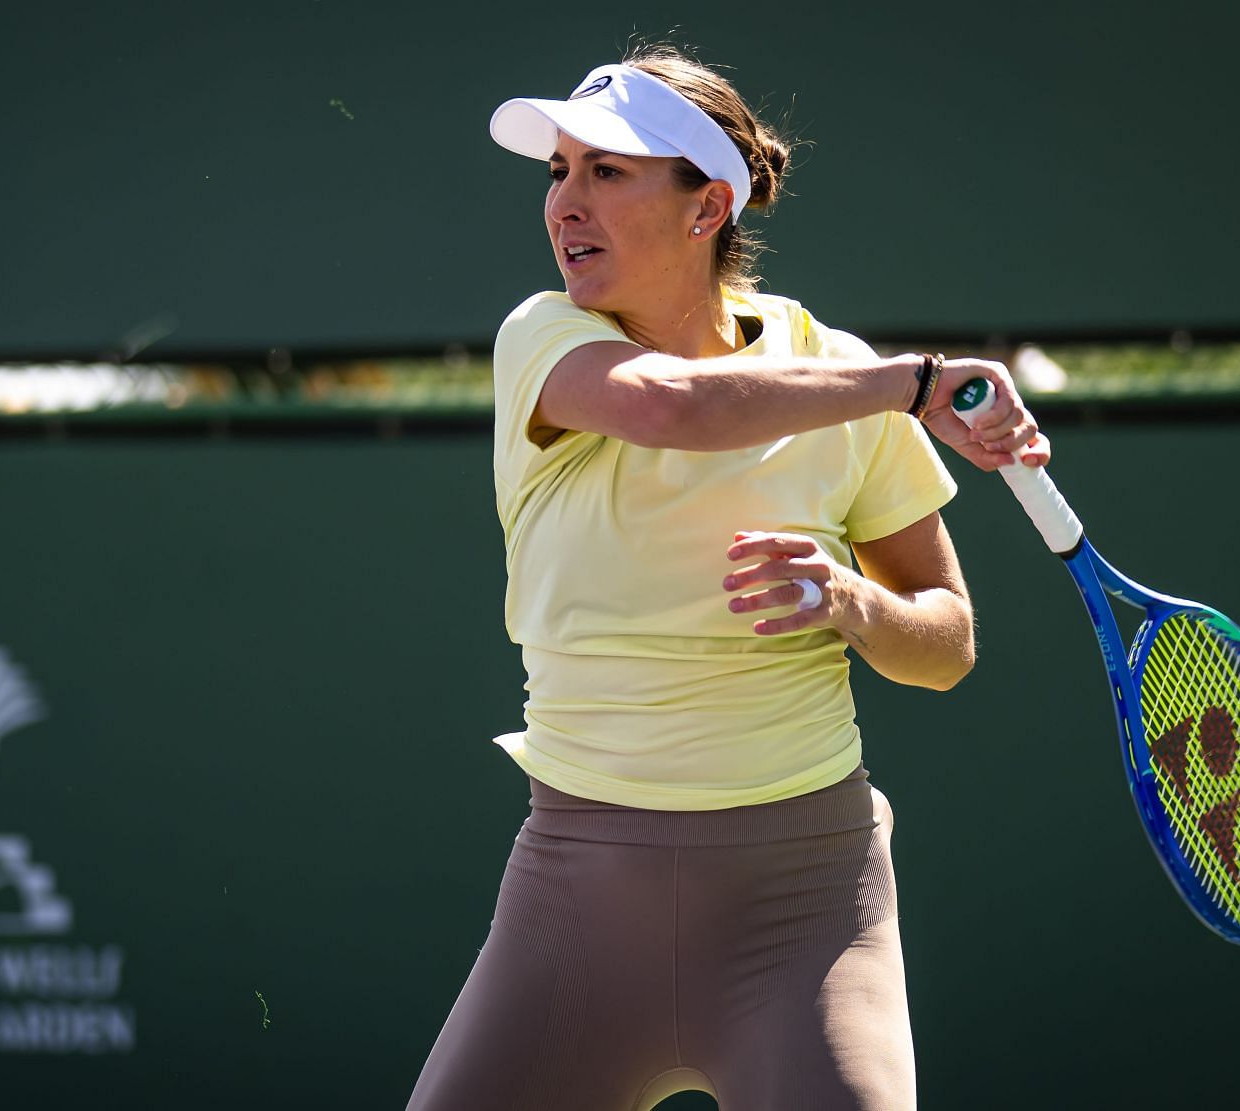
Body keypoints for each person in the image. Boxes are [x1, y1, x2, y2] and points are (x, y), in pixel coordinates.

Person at [407, 44, 1049, 1111]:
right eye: (558, 171)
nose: (566, 201)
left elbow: (946, 644)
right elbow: (671, 407)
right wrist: (913, 382)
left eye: (607, 172)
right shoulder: (545, 338)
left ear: (707, 208)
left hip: (803, 908)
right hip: (574, 898)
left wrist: (848, 600)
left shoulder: (839, 379)